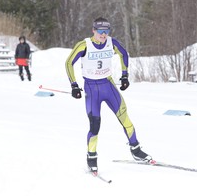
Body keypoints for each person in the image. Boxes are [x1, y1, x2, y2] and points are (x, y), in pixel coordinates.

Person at [65, 17, 152, 173]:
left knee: (124, 117)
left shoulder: (112, 43)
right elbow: (68, 62)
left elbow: (124, 54)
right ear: (93, 30)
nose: (103, 35)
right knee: (95, 125)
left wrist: (125, 75)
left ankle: (136, 150)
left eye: (106, 32)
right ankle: (91, 158)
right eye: (100, 32)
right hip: (92, 89)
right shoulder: (84, 45)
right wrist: (74, 85)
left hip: (108, 86)